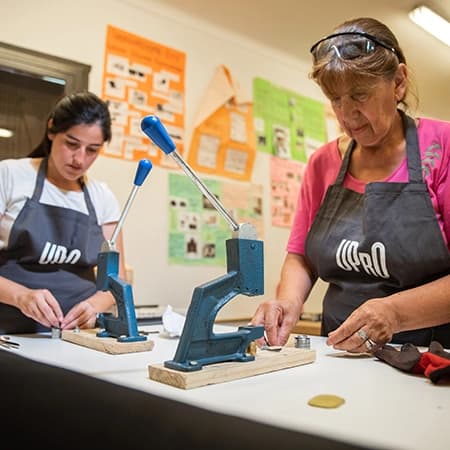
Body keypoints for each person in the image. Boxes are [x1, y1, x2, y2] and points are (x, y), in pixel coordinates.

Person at [251, 17, 450, 353]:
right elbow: (302, 256)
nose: (346, 115)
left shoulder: (442, 147)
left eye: (360, 95)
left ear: (398, 82)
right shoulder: (322, 164)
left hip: (430, 361)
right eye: (335, 99)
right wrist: (287, 302)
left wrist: (394, 313)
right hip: (340, 353)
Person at [0, 91, 125, 333]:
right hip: (13, 333)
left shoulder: (102, 197)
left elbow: (116, 281)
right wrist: (20, 296)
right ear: (51, 131)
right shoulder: (10, 176)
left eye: (92, 150)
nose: (80, 159)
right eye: (72, 144)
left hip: (77, 336)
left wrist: (93, 306)